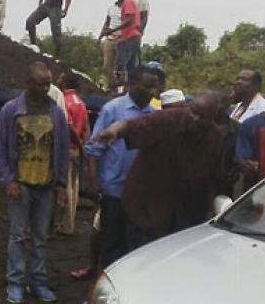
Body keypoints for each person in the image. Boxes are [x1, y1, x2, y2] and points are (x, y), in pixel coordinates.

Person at [93, 92, 225, 243]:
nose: (194, 118)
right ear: (188, 106)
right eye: (193, 111)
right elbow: (130, 125)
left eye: (202, 117)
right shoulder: (166, 119)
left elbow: (214, 176)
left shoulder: (215, 139)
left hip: (185, 213)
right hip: (146, 207)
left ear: (212, 118)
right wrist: (113, 130)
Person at [0, 62, 69, 304]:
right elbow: (0, 149)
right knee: (17, 236)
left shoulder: (56, 112)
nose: (46, 88)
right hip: (21, 184)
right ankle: (15, 282)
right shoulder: (11, 111)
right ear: (28, 84)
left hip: (46, 185)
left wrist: (61, 183)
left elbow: (62, 151)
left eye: (48, 83)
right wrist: (8, 179)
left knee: (40, 238)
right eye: (41, 83)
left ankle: (38, 281)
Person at [85, 66, 159, 268]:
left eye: (155, 88)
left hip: (140, 193)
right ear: (132, 84)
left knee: (135, 244)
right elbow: (94, 148)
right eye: (147, 86)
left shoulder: (153, 116)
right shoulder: (112, 109)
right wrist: (93, 181)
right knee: (111, 242)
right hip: (114, 190)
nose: (152, 92)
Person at [56, 72, 90, 236]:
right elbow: (85, 129)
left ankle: (65, 224)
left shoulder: (63, 101)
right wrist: (84, 147)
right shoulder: (81, 103)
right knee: (74, 186)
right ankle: (71, 223)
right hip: (77, 149)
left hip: (66, 148)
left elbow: (67, 128)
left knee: (66, 186)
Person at [104, 0, 142, 76]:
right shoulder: (132, 2)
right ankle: (130, 87)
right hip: (134, 37)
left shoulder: (128, 2)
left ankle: (120, 88)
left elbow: (129, 20)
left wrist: (113, 30)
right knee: (131, 67)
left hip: (130, 38)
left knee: (121, 66)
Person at [98, 0, 124, 89]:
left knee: (120, 66)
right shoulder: (112, 8)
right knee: (107, 65)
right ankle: (111, 86)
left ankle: (121, 87)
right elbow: (106, 23)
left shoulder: (128, 7)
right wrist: (100, 37)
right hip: (110, 38)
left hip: (122, 39)